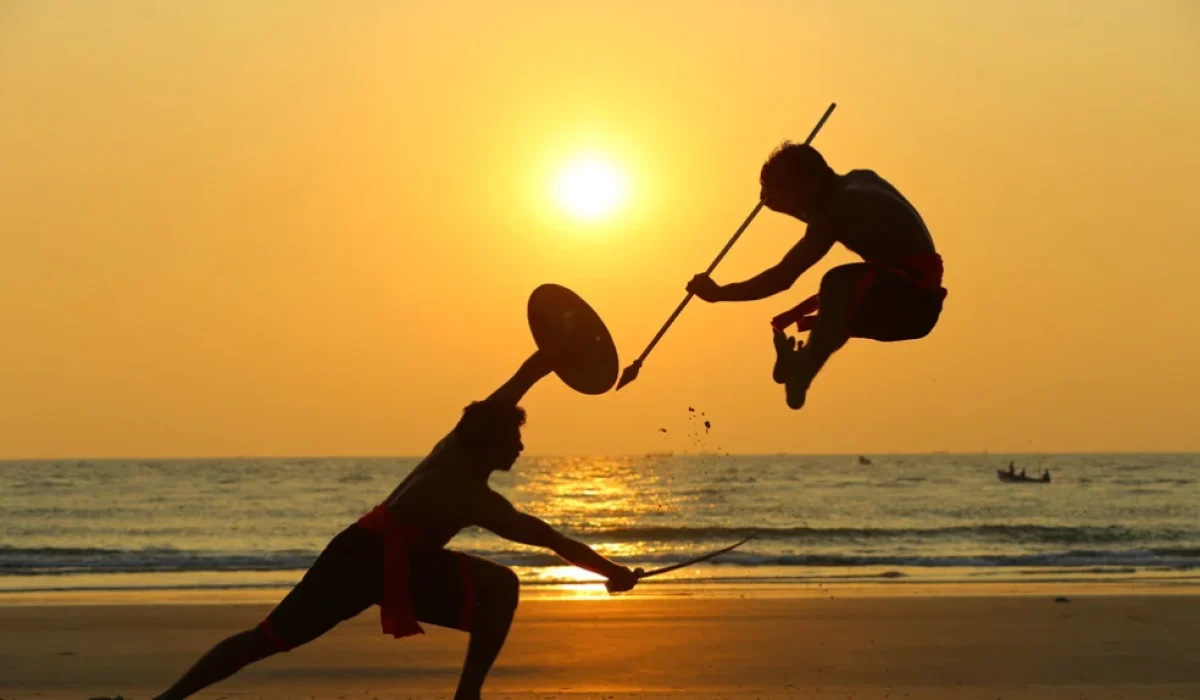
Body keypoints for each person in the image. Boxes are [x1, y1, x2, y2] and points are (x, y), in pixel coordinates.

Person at [147, 349, 640, 700]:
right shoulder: (472, 495)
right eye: (513, 439)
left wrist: (555, 352)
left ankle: (167, 699)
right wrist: (612, 571)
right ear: (489, 445)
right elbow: (549, 539)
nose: (520, 447)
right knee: (273, 637)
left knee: (267, 638)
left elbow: (525, 373)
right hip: (367, 561)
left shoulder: (455, 442)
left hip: (369, 552)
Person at [686, 143, 947, 409]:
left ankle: (804, 369)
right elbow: (820, 220)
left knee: (837, 284)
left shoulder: (839, 208)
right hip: (904, 299)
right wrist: (779, 201)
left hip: (912, 304)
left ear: (806, 185)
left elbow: (782, 277)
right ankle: (805, 361)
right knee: (840, 304)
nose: (771, 200)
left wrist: (720, 294)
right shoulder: (857, 182)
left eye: (779, 193)